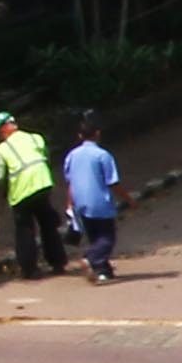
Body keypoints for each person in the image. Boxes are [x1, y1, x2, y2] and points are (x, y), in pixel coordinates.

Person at [0, 110, 64, 277]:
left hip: (22, 191)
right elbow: (46, 157)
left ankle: (30, 269)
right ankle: (58, 262)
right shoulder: (35, 137)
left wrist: (3, 191)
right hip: (43, 183)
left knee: (25, 229)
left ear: (2, 130)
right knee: (47, 224)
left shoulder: (3, 148)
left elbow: (0, 175)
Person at [60, 113, 123, 283]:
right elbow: (113, 182)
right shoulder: (102, 155)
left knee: (95, 237)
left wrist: (69, 204)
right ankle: (91, 258)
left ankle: (103, 271)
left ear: (80, 136)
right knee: (107, 238)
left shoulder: (72, 155)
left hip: (81, 203)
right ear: (97, 134)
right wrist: (128, 199)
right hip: (100, 203)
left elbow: (70, 182)